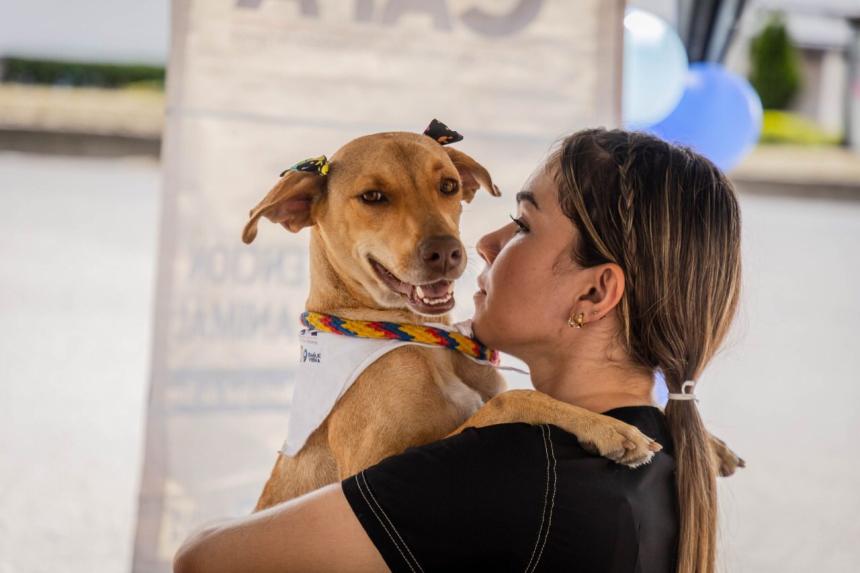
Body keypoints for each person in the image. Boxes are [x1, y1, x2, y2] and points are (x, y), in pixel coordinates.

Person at [173, 128, 742, 573]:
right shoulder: (665, 450)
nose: (469, 241)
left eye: (522, 226)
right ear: (300, 211)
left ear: (595, 291)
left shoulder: (510, 462)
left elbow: (199, 559)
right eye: (376, 198)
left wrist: (511, 411)